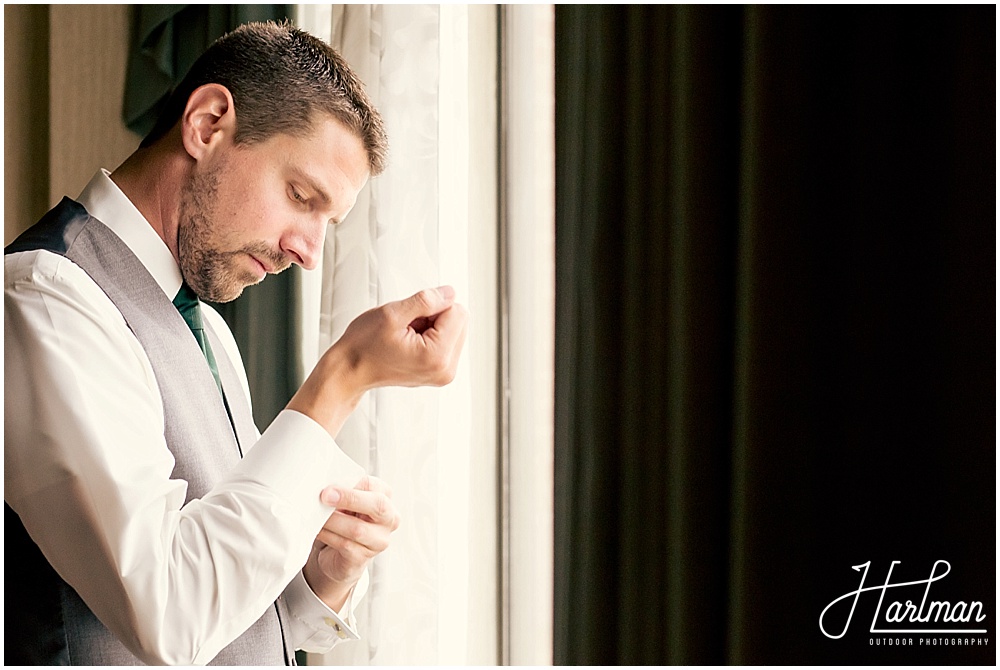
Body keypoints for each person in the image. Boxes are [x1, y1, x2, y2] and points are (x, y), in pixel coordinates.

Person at [4, 20, 468, 666]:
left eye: (327, 223)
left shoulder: (210, 334)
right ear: (207, 124)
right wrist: (345, 372)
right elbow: (171, 613)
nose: (307, 252)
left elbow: (227, 606)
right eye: (301, 196)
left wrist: (321, 578)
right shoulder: (44, 297)